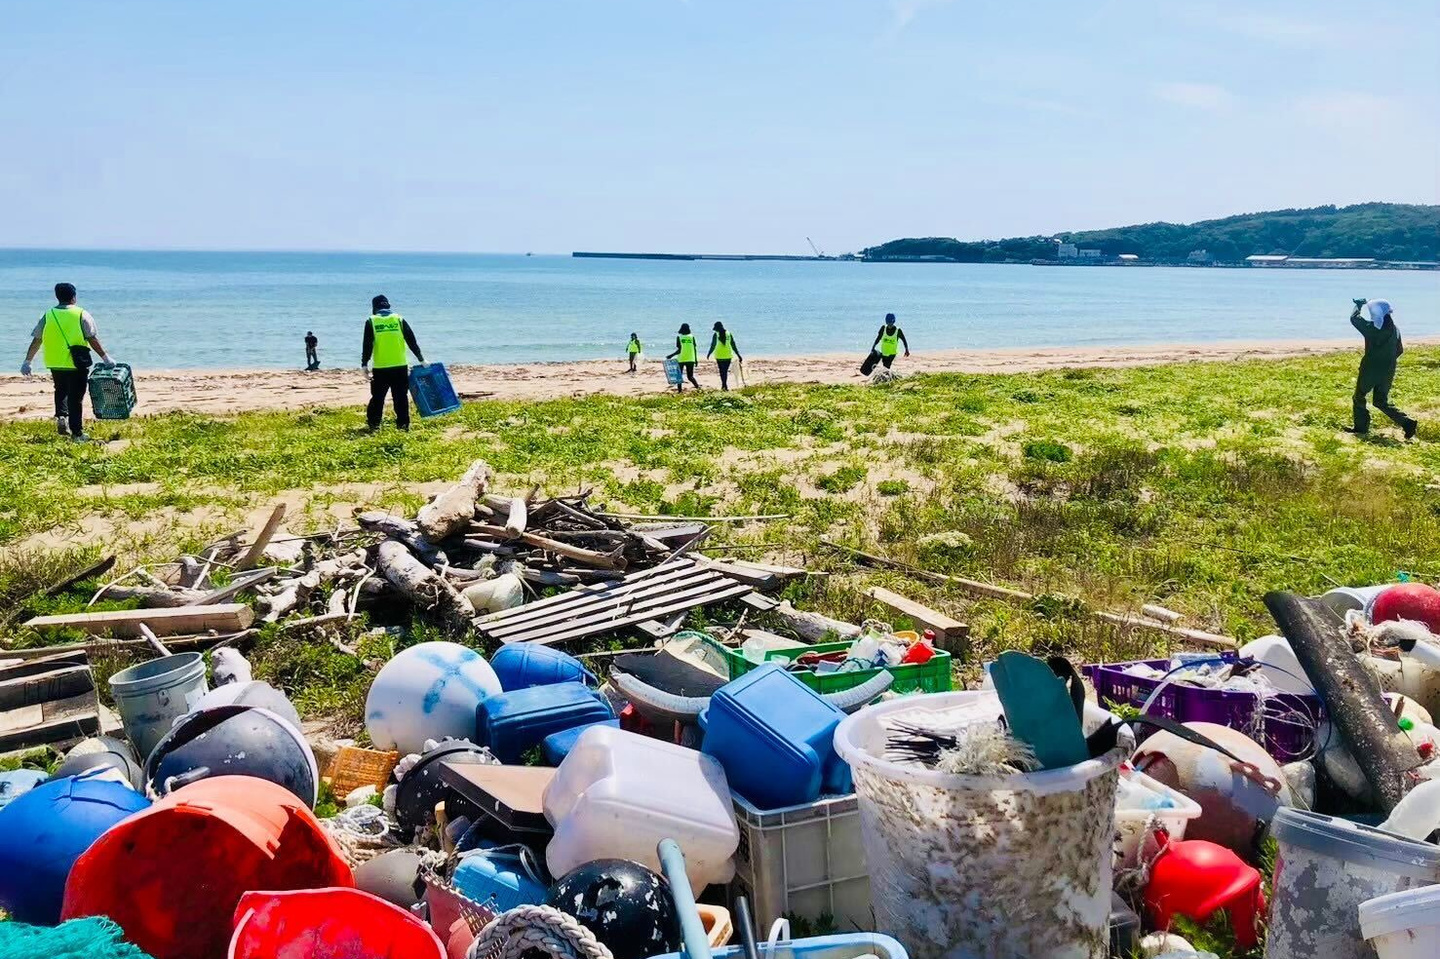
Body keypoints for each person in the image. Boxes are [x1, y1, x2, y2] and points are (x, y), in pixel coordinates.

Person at [20, 282, 115, 440]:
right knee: (76, 398)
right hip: (77, 363)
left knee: (60, 390)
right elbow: (92, 338)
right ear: (74, 297)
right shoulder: (81, 314)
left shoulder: (49, 314)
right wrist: (105, 357)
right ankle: (77, 433)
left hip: (55, 361)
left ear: (57, 297)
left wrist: (27, 361)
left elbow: (37, 339)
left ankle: (62, 417)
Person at [1348, 298, 1417, 439]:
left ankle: (1361, 429)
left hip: (1371, 369)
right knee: (1381, 401)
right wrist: (1387, 360)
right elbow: (1400, 350)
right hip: (1389, 369)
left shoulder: (1372, 329)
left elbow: (1354, 319)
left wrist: (1358, 305)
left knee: (1359, 397)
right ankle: (1407, 423)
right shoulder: (1395, 330)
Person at [361, 294, 424, 431]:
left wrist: (364, 365)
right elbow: (411, 341)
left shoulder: (371, 321)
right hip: (400, 366)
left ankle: (374, 425)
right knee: (400, 397)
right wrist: (421, 359)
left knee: (377, 398)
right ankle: (403, 426)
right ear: (388, 305)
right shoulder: (399, 319)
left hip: (381, 367)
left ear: (374, 307)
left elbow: (367, 345)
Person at [707, 321, 743, 391]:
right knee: (725, 371)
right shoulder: (729, 334)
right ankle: (724, 385)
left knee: (722, 371)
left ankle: (724, 385)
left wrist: (709, 353)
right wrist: (738, 355)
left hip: (719, 356)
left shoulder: (716, 335)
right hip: (728, 355)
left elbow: (713, 345)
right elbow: (733, 345)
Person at [666, 323, 702, 393]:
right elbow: (694, 349)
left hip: (681, 359)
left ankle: (680, 391)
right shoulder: (692, 337)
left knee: (679, 377)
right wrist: (696, 359)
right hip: (691, 359)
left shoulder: (679, 337)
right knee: (690, 376)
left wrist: (671, 355)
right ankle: (698, 388)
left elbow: (679, 350)